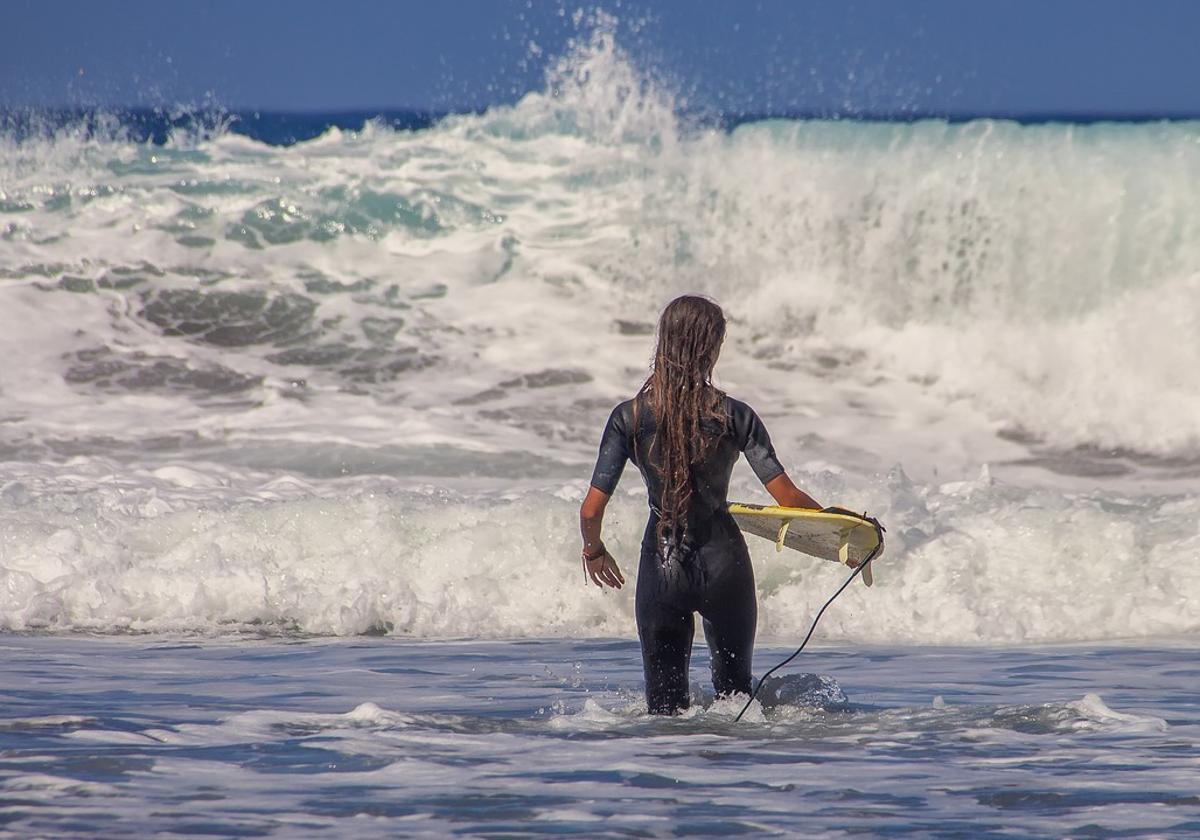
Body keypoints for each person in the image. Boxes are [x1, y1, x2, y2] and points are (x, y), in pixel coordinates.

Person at [579, 295, 824, 715]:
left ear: (664, 343)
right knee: (736, 704)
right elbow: (787, 499)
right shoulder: (735, 415)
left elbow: (590, 510)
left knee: (664, 711)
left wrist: (594, 549)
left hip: (662, 567)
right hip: (726, 566)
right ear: (709, 348)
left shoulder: (628, 418)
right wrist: (837, 523)